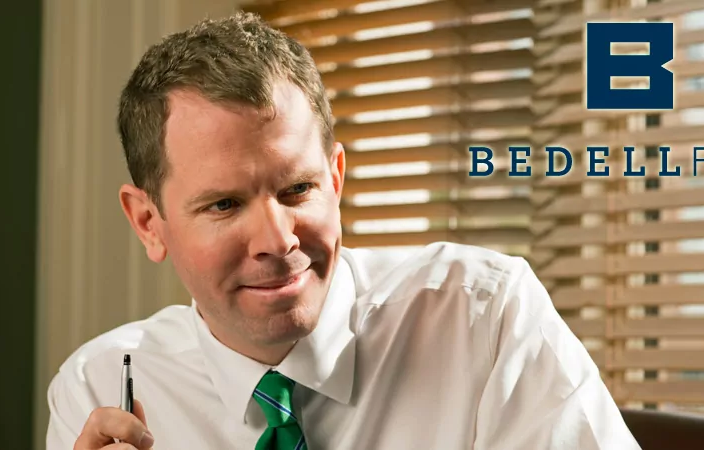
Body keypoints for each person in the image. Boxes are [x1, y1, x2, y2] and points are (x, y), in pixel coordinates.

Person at [45, 11, 642, 450]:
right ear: (150, 223)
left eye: (297, 189)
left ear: (336, 179)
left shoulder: (485, 317)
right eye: (224, 204)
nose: (277, 241)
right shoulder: (95, 387)